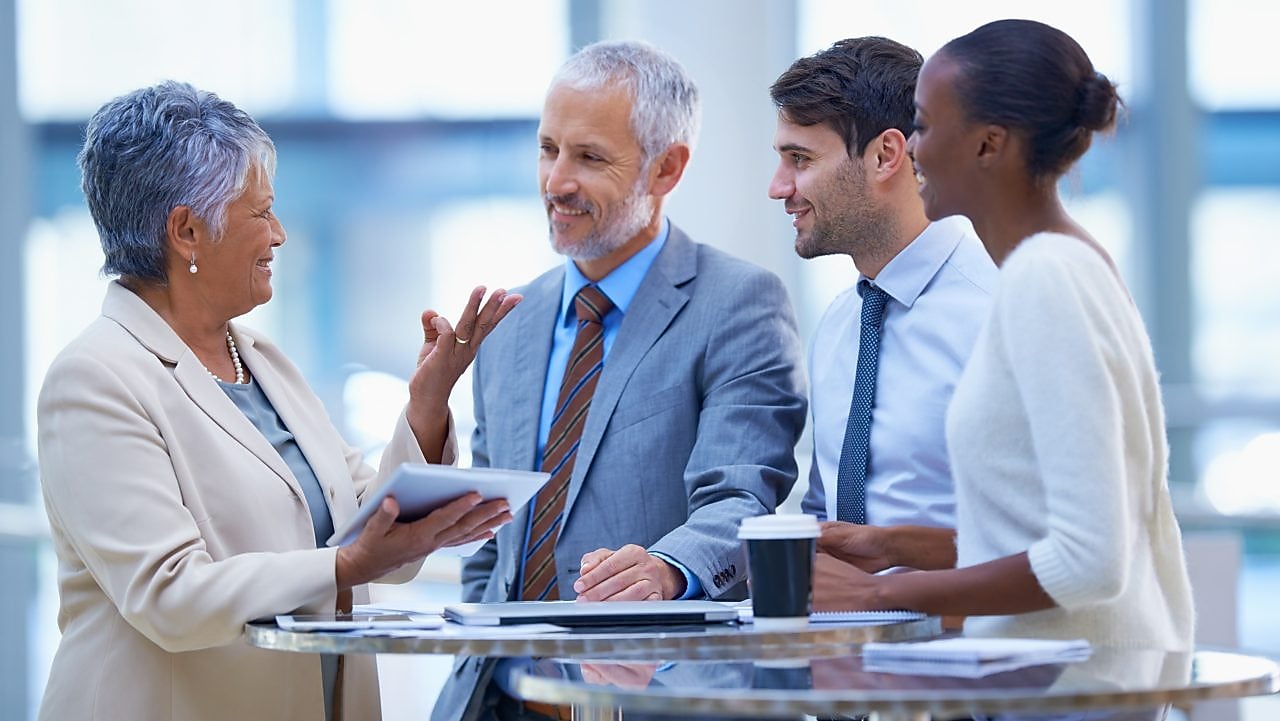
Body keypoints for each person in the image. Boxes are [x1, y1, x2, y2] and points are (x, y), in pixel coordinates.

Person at [36, 81, 520, 721]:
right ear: (187, 231)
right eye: (261, 213)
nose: (280, 234)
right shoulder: (94, 378)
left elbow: (368, 528)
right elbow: (170, 596)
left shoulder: (262, 360)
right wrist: (343, 565)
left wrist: (427, 406)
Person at [433, 40, 806, 721]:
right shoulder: (508, 320)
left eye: (589, 157)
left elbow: (743, 499)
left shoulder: (737, 304)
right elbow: (492, 533)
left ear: (668, 168)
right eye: (548, 149)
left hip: (652, 697)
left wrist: (667, 568)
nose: (556, 182)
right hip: (494, 699)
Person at [828, 19, 1195, 651]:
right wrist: (891, 545)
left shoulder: (1044, 276)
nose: (910, 149)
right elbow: (1050, 529)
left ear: (988, 145)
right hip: (1067, 676)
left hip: (1070, 683)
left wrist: (877, 595)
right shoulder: (1067, 262)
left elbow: (1088, 562)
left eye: (923, 125)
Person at [767, 37, 996, 608]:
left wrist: (885, 590)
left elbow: (1063, 545)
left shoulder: (998, 312)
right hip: (844, 657)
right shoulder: (840, 323)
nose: (778, 187)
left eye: (800, 159)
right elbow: (827, 515)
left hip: (977, 657)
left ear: (885, 155)